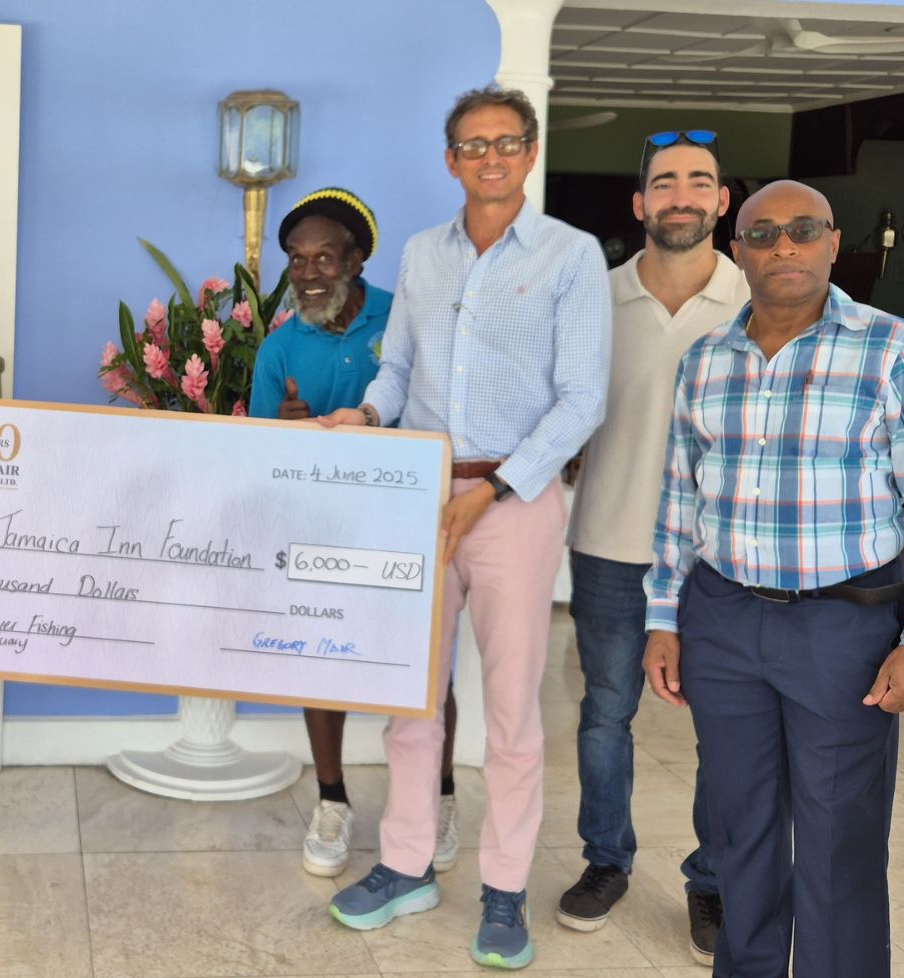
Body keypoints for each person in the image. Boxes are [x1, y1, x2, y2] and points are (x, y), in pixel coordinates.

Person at [643, 179, 904, 977]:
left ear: (834, 243)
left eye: (803, 229)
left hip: (842, 628)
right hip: (722, 620)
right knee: (740, 831)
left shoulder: (894, 350)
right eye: (763, 234)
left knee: (840, 841)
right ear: (738, 252)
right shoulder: (705, 361)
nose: (783, 246)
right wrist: (663, 617)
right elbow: (679, 499)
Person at [316, 85, 611, 970]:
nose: (490, 157)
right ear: (451, 160)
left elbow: (583, 400)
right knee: (411, 699)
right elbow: (397, 369)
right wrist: (368, 416)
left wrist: (496, 488)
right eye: (473, 145)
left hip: (513, 503)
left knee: (513, 714)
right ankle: (406, 865)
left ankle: (505, 890)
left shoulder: (570, 255)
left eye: (506, 142)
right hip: (418, 495)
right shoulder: (422, 254)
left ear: (530, 152)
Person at [557, 130, 743, 963]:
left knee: (725, 727)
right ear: (639, 203)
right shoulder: (591, 298)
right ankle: (606, 860)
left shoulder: (757, 299)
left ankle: (713, 880)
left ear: (721, 201)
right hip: (610, 542)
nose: (681, 196)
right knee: (605, 713)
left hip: (723, 558)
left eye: (698, 181)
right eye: (664, 182)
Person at [247, 188, 462, 881]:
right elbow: (255, 458)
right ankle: (332, 801)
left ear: (355, 260)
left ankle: (440, 796)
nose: (307, 272)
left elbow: (441, 409)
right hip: (319, 531)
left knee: (427, 668)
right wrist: (284, 431)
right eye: (296, 259)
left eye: (323, 257)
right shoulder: (280, 347)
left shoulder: (405, 321)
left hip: (407, 525)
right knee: (320, 660)